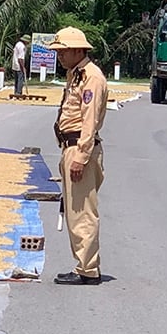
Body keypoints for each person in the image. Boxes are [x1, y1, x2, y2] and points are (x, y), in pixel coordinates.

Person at [47, 27, 108, 285]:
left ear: (77, 50)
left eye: (63, 51)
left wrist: (81, 156)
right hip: (70, 147)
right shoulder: (76, 75)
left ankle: (87, 269)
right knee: (75, 211)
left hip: (80, 148)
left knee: (82, 211)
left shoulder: (91, 78)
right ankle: (84, 266)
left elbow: (89, 120)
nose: (59, 56)